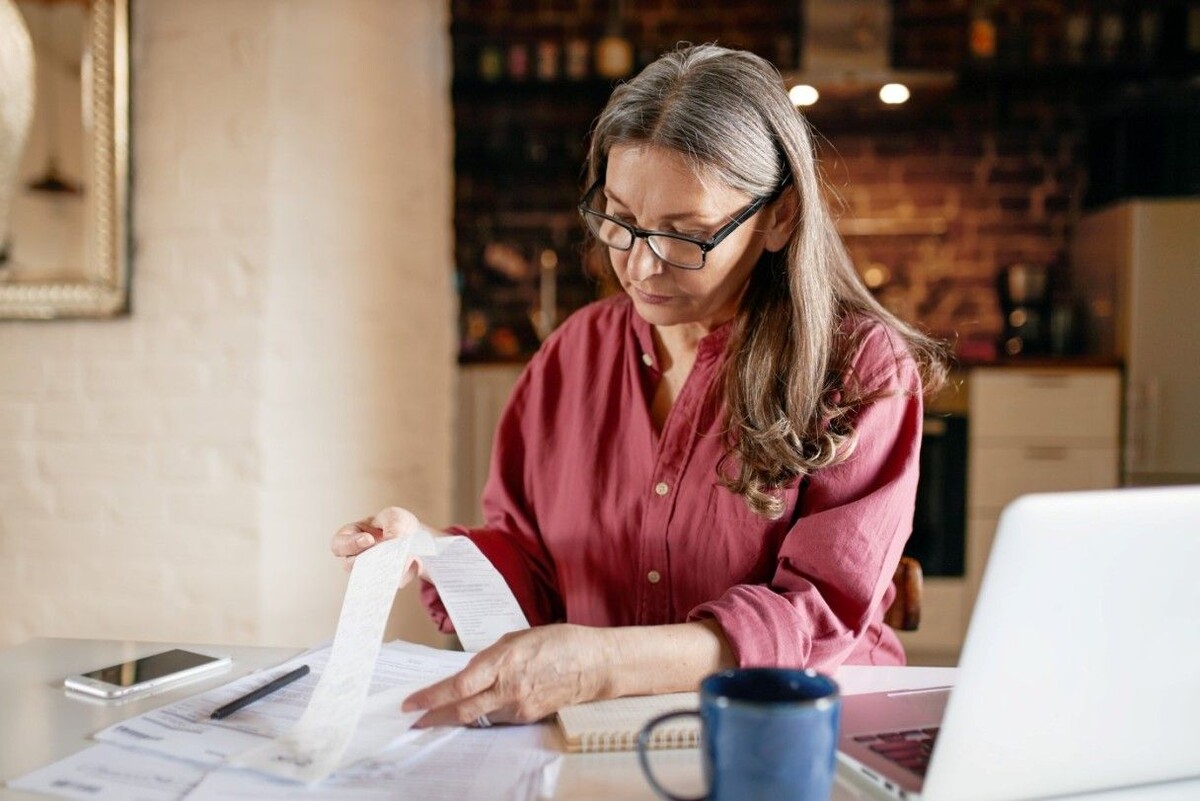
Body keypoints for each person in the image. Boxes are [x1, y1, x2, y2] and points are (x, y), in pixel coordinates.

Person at [330, 44, 947, 729]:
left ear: (779, 217)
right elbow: (534, 562)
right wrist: (431, 553)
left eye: (687, 235)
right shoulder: (573, 355)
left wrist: (602, 664)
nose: (640, 263)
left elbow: (815, 616)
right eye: (620, 219)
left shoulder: (858, 367)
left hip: (791, 731)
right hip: (601, 731)